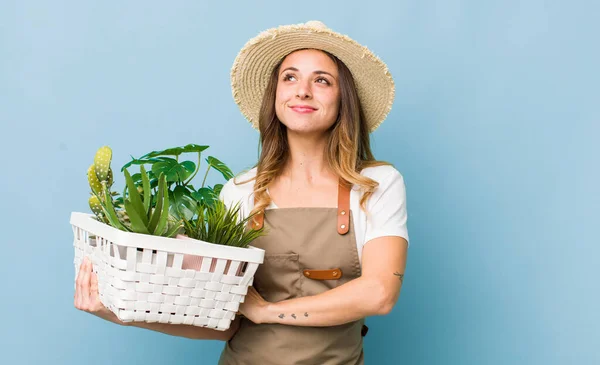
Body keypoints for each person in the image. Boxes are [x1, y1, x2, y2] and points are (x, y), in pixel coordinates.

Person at [74, 20, 409, 364]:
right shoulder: (240, 191)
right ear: (275, 95)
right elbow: (223, 322)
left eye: (322, 80)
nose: (302, 91)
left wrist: (266, 312)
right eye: (289, 77)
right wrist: (118, 311)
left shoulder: (376, 184)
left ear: (344, 100)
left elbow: (379, 293)